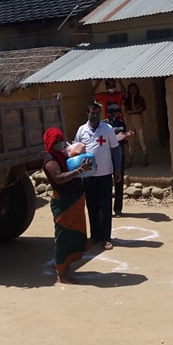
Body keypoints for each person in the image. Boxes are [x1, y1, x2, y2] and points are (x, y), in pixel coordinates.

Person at [42, 127, 92, 284]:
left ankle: (65, 264)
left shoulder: (63, 155)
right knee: (64, 237)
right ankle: (61, 273)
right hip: (64, 202)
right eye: (56, 141)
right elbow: (58, 178)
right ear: (49, 143)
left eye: (60, 140)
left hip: (74, 200)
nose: (59, 143)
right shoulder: (51, 160)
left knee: (74, 235)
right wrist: (79, 171)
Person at [74, 103, 121, 251]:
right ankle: (94, 236)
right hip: (88, 175)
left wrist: (117, 169)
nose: (95, 116)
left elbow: (115, 150)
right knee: (92, 206)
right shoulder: (82, 130)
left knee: (105, 206)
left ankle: (106, 238)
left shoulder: (107, 129)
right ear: (87, 113)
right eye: (92, 113)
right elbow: (76, 150)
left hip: (105, 173)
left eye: (97, 113)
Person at [106, 103, 131, 217]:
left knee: (119, 182)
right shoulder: (104, 125)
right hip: (106, 156)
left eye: (119, 114)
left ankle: (118, 209)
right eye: (115, 114)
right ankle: (106, 209)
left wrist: (125, 137)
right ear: (110, 114)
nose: (118, 116)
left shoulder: (122, 124)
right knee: (106, 183)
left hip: (119, 154)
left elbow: (124, 141)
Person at [123, 82, 148, 167]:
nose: (133, 91)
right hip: (130, 120)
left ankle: (145, 158)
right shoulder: (127, 100)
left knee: (141, 139)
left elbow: (138, 109)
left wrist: (133, 100)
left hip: (138, 119)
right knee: (131, 141)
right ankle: (130, 160)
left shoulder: (140, 99)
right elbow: (127, 110)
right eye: (131, 89)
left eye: (134, 89)